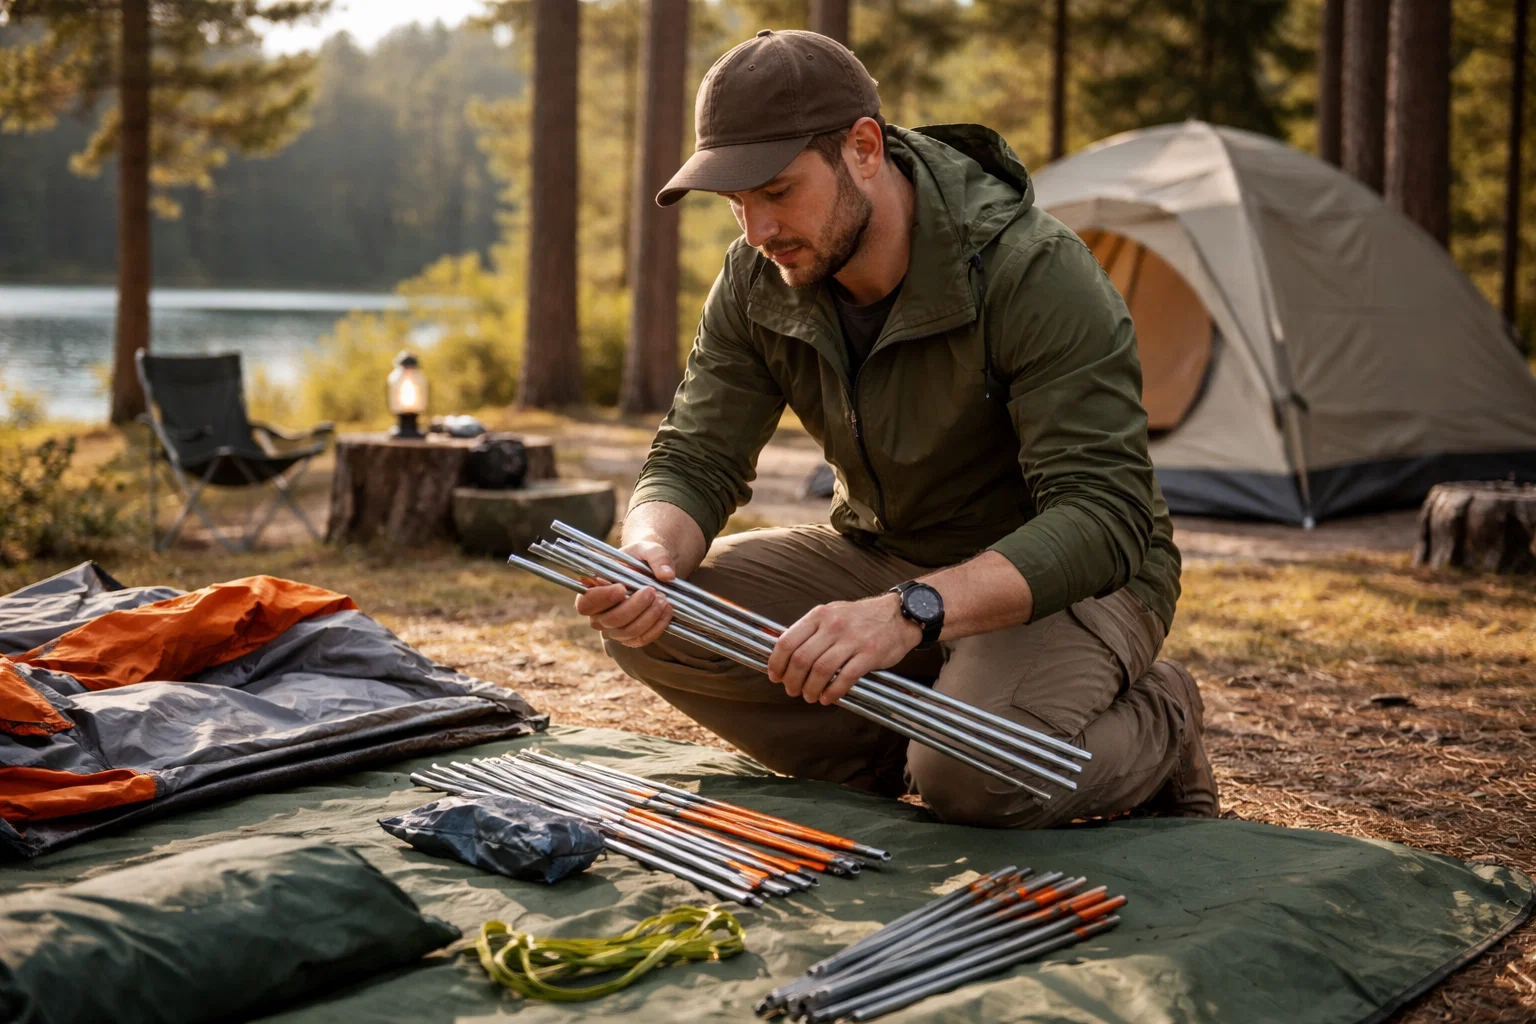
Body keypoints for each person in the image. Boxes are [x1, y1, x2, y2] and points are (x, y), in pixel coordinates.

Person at [575, 29, 1217, 828]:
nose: (755, 230)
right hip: (890, 554)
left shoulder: (1033, 272)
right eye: (735, 202)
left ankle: (1159, 722)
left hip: (1067, 576)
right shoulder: (760, 275)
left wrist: (908, 612)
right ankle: (899, 753)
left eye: (776, 190)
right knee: (661, 627)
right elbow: (696, 456)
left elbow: (1103, 518)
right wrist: (650, 553)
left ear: (865, 148)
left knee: (970, 778)